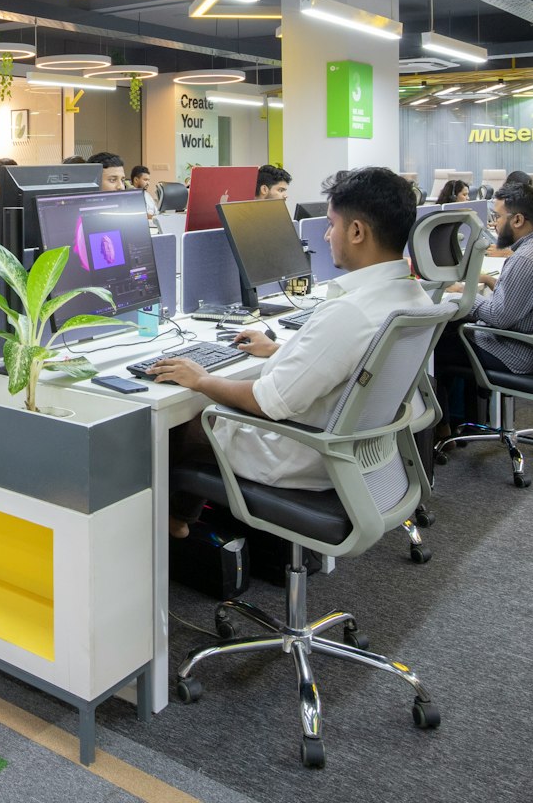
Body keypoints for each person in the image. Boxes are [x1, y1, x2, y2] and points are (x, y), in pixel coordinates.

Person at [150, 167, 431, 536]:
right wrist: (278, 350)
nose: (327, 235)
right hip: (356, 454)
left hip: (303, 454)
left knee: (179, 425)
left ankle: (172, 535)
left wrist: (201, 379)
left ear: (357, 232)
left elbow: (268, 402)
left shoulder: (351, 312)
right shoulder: (413, 296)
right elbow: (351, 363)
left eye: (331, 224)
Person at [432, 178, 533, 428]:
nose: (494, 224)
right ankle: (464, 420)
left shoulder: (526, 259)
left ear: (517, 220)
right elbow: (525, 298)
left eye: (497, 217)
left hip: (517, 353)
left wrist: (462, 296)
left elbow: (499, 317)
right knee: (453, 330)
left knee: (434, 346)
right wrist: (485, 282)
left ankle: (446, 428)